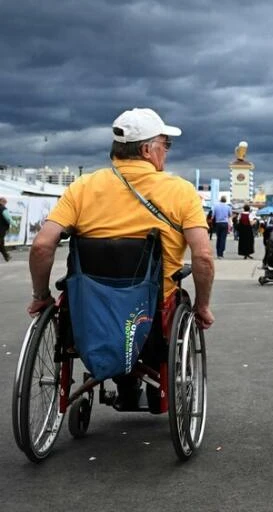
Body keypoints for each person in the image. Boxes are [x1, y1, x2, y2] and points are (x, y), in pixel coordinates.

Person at [26, 108, 215, 405]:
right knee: (177, 299)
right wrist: (203, 305)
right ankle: (155, 384)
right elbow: (202, 256)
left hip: (88, 310)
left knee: (74, 298)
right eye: (165, 144)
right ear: (146, 149)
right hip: (151, 314)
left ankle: (111, 382)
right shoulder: (180, 191)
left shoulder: (83, 187)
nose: (166, 151)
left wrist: (41, 295)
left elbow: (41, 246)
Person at [0, 196, 12, 262]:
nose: (5, 204)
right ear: (2, 201)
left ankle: (6, 256)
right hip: (1, 229)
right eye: (5, 202)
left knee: (1, 243)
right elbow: (8, 218)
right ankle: (6, 256)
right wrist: (14, 224)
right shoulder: (3, 208)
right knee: (1, 243)